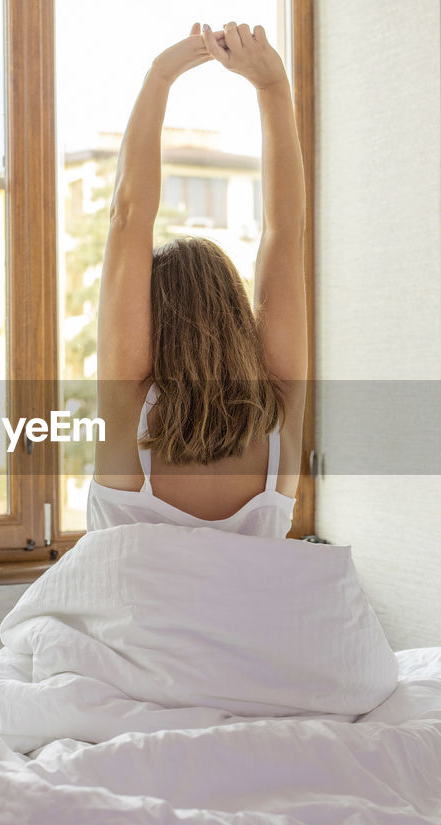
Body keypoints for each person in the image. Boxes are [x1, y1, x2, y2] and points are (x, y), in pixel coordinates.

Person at [87, 22, 307, 539]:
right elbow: (285, 233)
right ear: (236, 315)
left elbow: (128, 216)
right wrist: (273, 88)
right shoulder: (279, 420)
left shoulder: (128, 414)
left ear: (153, 323)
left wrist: (160, 77)